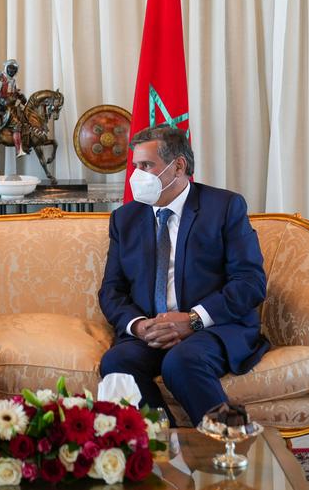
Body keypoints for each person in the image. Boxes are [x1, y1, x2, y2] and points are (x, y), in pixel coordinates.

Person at [98, 124, 270, 426]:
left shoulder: (224, 207)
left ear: (178, 166)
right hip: (151, 330)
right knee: (117, 362)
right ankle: (165, 449)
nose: (137, 175)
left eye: (147, 165)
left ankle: (227, 449)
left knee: (183, 361)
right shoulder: (125, 219)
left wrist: (192, 319)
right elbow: (112, 290)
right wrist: (139, 326)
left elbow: (250, 282)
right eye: (135, 166)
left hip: (213, 327)